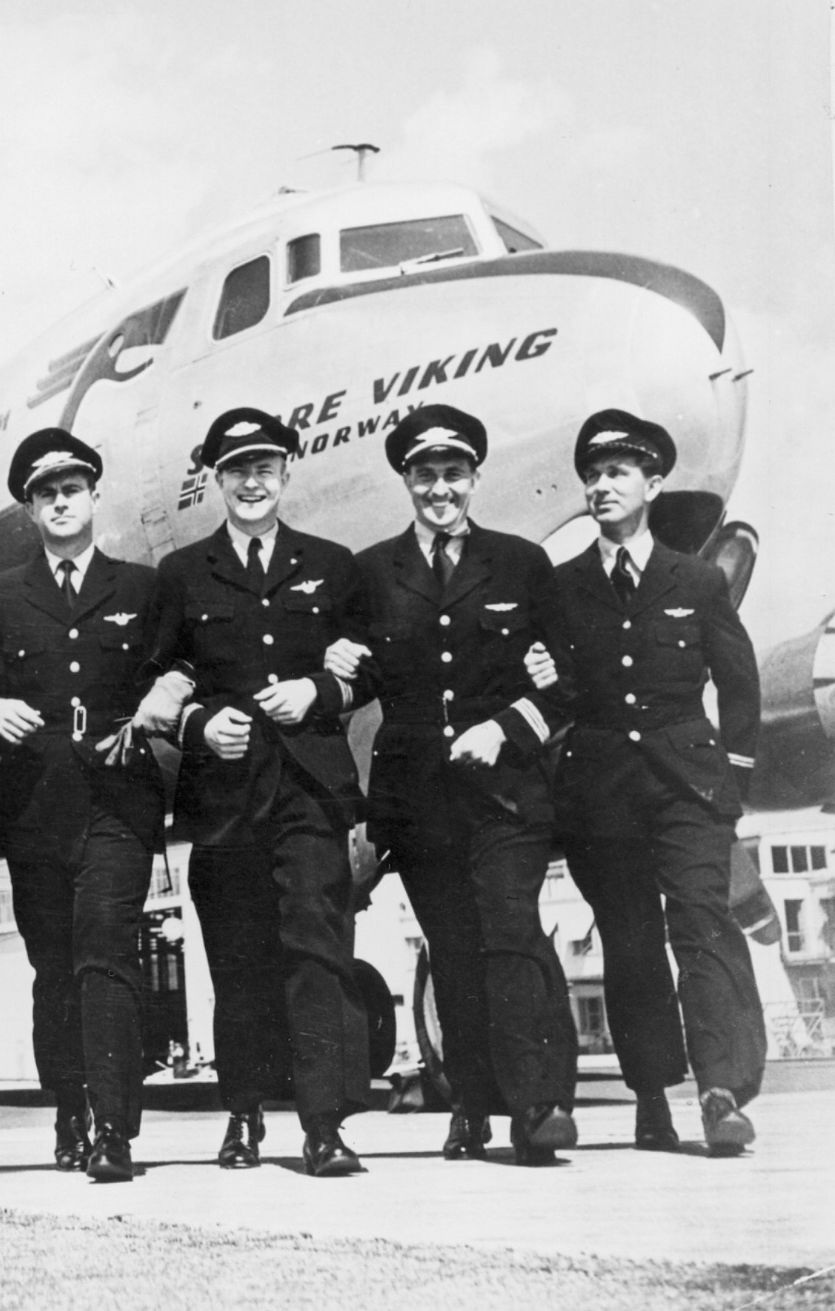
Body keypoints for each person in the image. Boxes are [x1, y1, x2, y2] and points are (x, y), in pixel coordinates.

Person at [325, 405, 579, 1165]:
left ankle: (536, 1106)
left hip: (504, 792)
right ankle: (469, 1106)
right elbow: (356, 669)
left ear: (474, 478)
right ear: (407, 479)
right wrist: (338, 663)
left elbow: (565, 682)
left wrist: (506, 726)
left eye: (455, 473)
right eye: (427, 474)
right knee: (457, 952)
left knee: (509, 930)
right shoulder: (371, 572)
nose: (442, 488)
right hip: (417, 799)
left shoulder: (521, 563)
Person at [134, 408, 372, 1178]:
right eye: (236, 468)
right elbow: (160, 677)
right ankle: (242, 1113)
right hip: (225, 796)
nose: (251, 480)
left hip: (309, 789)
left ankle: (325, 1125)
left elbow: (365, 666)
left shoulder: (333, 564)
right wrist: (200, 724)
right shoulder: (182, 574)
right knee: (236, 963)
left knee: (317, 949)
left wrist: (316, 691)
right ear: (215, 478)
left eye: (265, 465)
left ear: (287, 470)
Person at [546, 409, 765, 1154]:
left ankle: (721, 1090)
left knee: (701, 922)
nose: (602, 487)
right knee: (631, 943)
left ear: (653, 482)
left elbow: (740, 687)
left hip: (689, 787)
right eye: (593, 476)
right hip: (604, 793)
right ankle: (650, 1096)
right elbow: (558, 693)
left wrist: (731, 781)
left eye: (617, 473)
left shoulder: (696, 579)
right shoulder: (565, 588)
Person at [0, 429, 164, 1183]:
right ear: (29, 507)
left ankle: (114, 1127)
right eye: (46, 493)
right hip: (35, 804)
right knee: (54, 968)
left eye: (73, 489)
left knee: (106, 951)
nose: (61, 502)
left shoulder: (140, 587)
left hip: (118, 796)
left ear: (93, 495)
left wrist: (164, 695)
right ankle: (69, 1109)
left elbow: (172, 666)